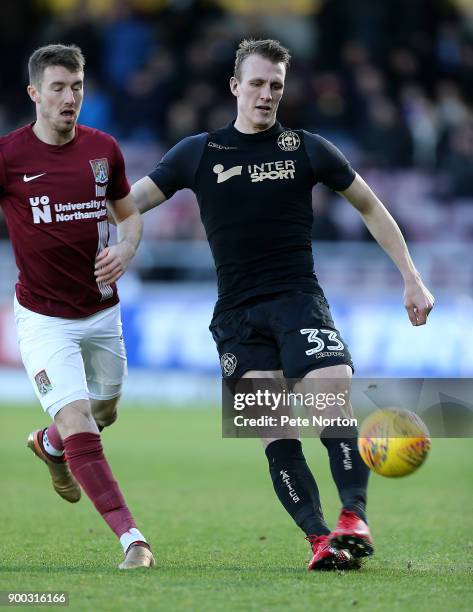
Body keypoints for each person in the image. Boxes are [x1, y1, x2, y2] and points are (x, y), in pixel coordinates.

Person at [132, 39, 434, 570]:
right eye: (256, 83)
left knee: (330, 397)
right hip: (235, 319)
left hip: (298, 300)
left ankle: (352, 518)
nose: (266, 94)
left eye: (276, 85)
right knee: (276, 433)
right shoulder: (197, 153)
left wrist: (411, 277)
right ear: (234, 87)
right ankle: (320, 540)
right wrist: (77, 218)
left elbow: (370, 205)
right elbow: (130, 203)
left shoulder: (307, 148)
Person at [0, 44, 154, 570]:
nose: (70, 98)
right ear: (35, 94)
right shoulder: (9, 157)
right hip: (44, 319)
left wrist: (127, 248)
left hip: (102, 311)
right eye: (59, 88)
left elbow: (128, 216)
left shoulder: (104, 149)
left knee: (105, 410)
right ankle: (132, 539)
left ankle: (50, 444)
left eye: (78, 87)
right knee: (81, 418)